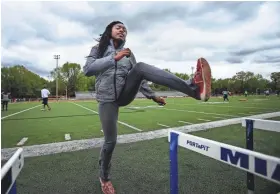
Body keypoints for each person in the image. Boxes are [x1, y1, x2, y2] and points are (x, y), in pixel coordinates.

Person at [83, 21, 212, 194]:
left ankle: (194, 89)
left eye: (125, 29)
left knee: (141, 67)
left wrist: (153, 96)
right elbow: (88, 69)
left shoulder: (128, 54)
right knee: (110, 141)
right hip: (107, 100)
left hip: (124, 94)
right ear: (109, 31)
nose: (123, 30)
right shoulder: (98, 49)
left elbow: (140, 78)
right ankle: (104, 177)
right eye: (118, 27)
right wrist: (113, 58)